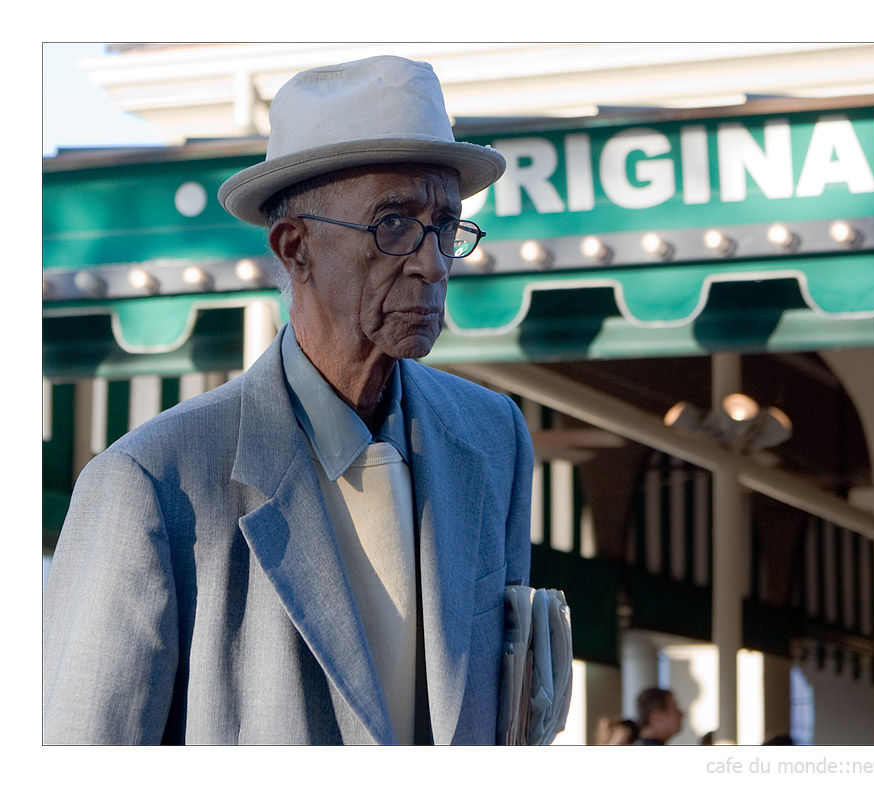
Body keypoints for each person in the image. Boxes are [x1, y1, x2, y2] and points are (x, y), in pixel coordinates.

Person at [42, 56, 532, 745]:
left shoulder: (493, 439)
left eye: (445, 226)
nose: (432, 261)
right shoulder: (150, 484)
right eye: (393, 224)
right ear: (294, 246)